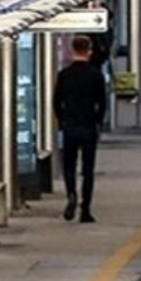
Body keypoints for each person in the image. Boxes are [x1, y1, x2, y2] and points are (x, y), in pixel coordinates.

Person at [53, 35, 108, 224]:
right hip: (88, 125)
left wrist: (62, 121)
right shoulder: (95, 75)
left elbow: (56, 102)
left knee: (69, 166)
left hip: (70, 126)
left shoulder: (64, 75)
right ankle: (86, 209)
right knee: (88, 169)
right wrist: (98, 122)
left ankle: (71, 195)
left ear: (72, 50)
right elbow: (102, 103)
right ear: (89, 51)